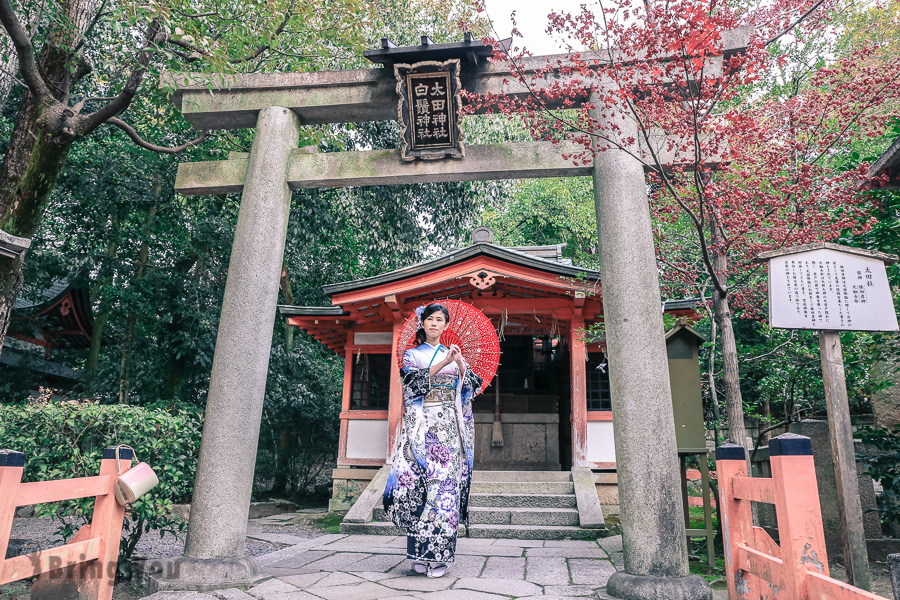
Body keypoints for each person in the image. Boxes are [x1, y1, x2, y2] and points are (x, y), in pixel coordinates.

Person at [383, 302, 483, 578]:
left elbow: (471, 389)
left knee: (445, 491)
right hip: (422, 426)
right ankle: (419, 554)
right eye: (430, 319)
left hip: (449, 429)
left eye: (440, 320)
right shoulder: (412, 355)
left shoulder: (456, 355)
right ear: (423, 323)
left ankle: (441, 556)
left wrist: (460, 364)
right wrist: (444, 363)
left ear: (446, 325)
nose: (435, 324)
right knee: (421, 488)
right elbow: (411, 386)